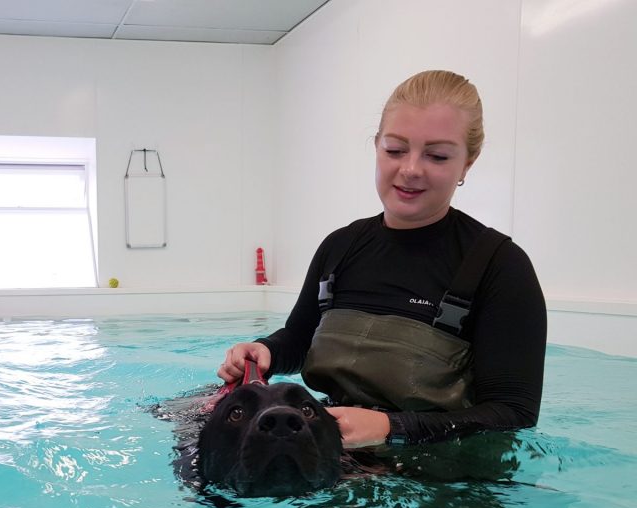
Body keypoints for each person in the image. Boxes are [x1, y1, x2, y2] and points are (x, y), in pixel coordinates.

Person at [218, 70, 546, 450]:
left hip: (441, 475)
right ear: (376, 146)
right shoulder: (339, 247)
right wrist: (267, 351)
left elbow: (514, 413)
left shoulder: (500, 266)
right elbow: (299, 338)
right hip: (339, 454)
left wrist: (394, 428)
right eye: (395, 150)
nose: (410, 169)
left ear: (468, 163)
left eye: (437, 155)